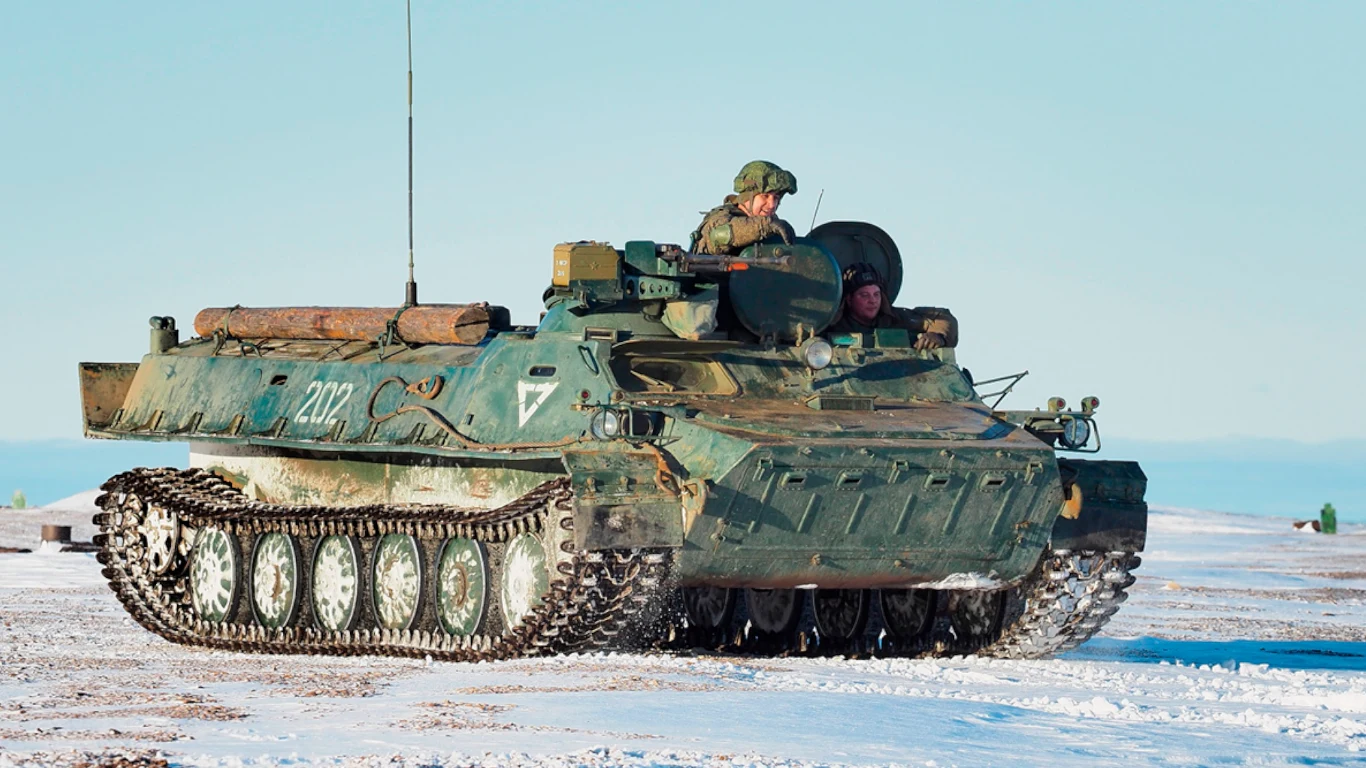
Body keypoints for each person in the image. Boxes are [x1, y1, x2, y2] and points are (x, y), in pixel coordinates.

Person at [829, 262, 958, 350]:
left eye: (876, 294)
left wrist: (939, 337)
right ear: (849, 299)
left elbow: (942, 318)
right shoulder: (831, 324)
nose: (872, 301)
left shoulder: (893, 318)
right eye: (864, 295)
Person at [690, 161, 798, 255]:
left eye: (776, 198)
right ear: (748, 196)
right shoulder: (720, 219)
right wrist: (766, 225)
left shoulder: (775, 230)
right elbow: (722, 234)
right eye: (765, 196)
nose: (772, 205)